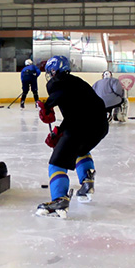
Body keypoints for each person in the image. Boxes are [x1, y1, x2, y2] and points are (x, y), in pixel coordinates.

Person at [35, 55, 109, 218]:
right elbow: (77, 112)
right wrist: (60, 132)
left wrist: (47, 106)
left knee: (56, 163)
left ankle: (59, 201)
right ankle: (87, 180)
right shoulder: (78, 82)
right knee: (80, 150)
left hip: (80, 127)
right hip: (100, 126)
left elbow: (60, 93)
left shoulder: (57, 82)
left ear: (54, 70)